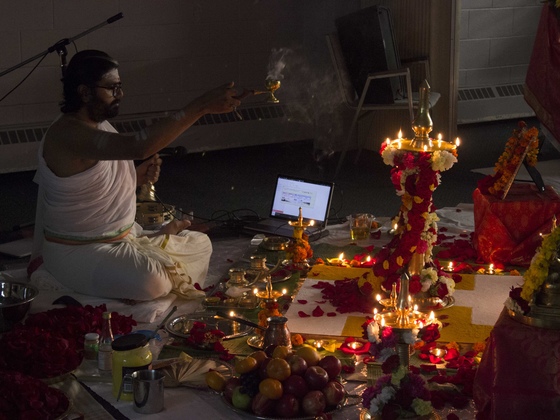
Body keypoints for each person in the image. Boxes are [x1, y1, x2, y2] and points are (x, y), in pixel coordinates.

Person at [28, 49, 243, 301]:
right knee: (152, 282)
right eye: (112, 88)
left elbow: (88, 186)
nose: (121, 95)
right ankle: (62, 276)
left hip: (123, 238)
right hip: (79, 250)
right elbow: (139, 146)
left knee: (200, 244)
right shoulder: (68, 133)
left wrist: (135, 177)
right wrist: (201, 106)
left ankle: (151, 245)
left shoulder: (97, 125)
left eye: (120, 87)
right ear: (85, 92)